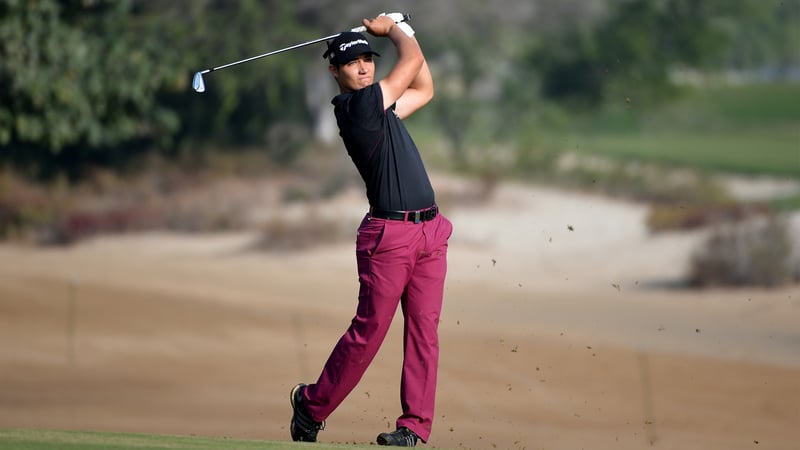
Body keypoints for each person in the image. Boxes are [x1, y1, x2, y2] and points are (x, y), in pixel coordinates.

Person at [289, 13, 452, 447]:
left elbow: (425, 86)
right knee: (370, 331)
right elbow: (411, 59)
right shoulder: (357, 109)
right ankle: (311, 405)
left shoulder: (382, 107)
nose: (362, 67)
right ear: (334, 72)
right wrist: (395, 30)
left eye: (367, 59)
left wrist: (405, 32)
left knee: (423, 332)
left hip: (431, 233)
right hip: (389, 238)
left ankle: (413, 428)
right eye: (352, 62)